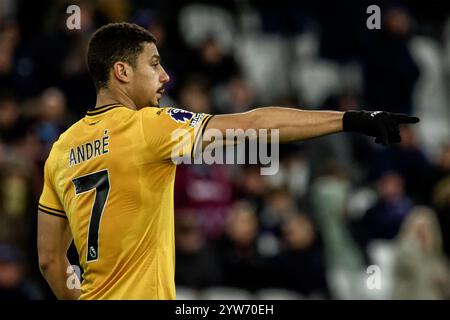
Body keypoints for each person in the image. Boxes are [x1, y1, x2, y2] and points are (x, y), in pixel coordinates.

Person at [36, 22, 419, 300]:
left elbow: (51, 261)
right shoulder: (148, 126)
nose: (165, 76)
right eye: (153, 64)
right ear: (121, 71)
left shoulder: (61, 149)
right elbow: (253, 124)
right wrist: (349, 119)